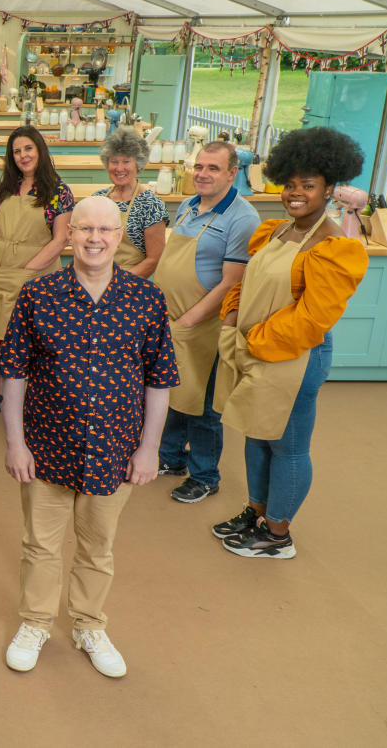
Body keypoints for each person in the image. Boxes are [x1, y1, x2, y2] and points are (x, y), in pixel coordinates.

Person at [0, 195, 178, 677]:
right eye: (84, 229)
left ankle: (88, 624)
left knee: (98, 546)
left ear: (120, 238)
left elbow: (158, 381)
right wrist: (15, 442)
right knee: (40, 543)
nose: (95, 239)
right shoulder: (38, 296)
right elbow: (13, 374)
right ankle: (36, 622)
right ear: (69, 236)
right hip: (46, 446)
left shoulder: (147, 300)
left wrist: (149, 449)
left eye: (105, 230)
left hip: (115, 449)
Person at [211, 127, 368, 559]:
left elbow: (312, 318)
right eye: (291, 184)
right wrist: (231, 317)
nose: (296, 193)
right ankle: (257, 512)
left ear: (330, 188)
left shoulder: (334, 247)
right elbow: (248, 279)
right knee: (257, 434)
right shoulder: (276, 232)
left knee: (288, 445)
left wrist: (255, 339)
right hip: (256, 349)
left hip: (295, 357)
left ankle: (277, 534)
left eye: (309, 185)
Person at [154, 141, 260, 504]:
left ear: (233, 173)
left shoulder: (242, 218)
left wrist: (187, 319)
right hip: (172, 318)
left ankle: (205, 475)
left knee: (204, 404)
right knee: (174, 392)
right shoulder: (187, 206)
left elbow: (231, 283)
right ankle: (170, 458)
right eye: (199, 166)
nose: (202, 174)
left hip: (206, 325)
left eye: (213, 168)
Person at [0, 125, 73, 395]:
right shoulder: (6, 188)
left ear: (40, 150)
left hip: (35, 278)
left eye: (28, 148)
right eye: (16, 151)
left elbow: (59, 240)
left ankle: (28, 400)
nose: (23, 155)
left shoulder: (58, 191)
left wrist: (26, 273)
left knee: (28, 337)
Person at [93, 126, 169, 278]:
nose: (119, 168)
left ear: (138, 164)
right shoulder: (98, 199)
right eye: (114, 161)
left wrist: (115, 283)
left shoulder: (150, 205)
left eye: (126, 161)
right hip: (95, 278)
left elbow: (154, 260)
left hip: (129, 285)